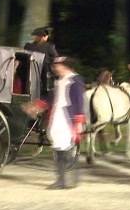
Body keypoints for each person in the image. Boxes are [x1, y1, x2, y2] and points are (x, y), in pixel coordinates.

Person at [24, 57, 85, 189]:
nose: (55, 68)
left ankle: (63, 180)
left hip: (67, 118)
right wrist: (37, 106)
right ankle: (65, 179)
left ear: (65, 66)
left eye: (57, 65)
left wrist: (79, 122)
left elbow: (79, 102)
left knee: (62, 147)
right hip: (57, 116)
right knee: (58, 146)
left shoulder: (75, 80)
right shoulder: (59, 81)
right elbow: (51, 98)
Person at [24, 26, 58, 98]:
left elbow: (55, 59)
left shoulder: (49, 47)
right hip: (31, 71)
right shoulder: (29, 46)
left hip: (44, 72)